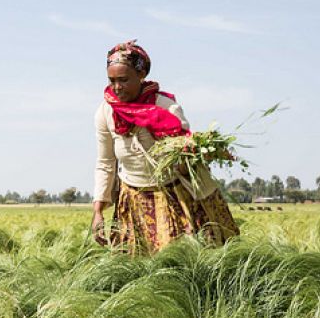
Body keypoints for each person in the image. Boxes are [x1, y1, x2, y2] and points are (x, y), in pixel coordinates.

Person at [92, 40, 239, 254]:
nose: (117, 87)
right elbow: (105, 162)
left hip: (173, 194)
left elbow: (184, 153)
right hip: (133, 198)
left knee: (183, 258)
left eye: (124, 80)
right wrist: (98, 209)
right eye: (112, 80)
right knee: (136, 263)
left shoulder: (165, 107)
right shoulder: (106, 112)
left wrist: (195, 153)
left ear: (141, 76)